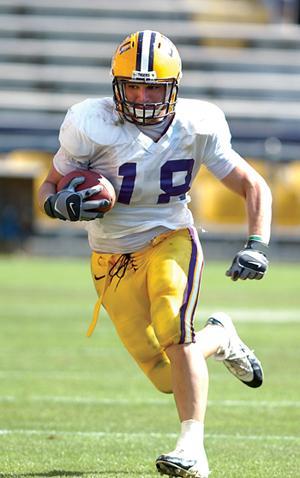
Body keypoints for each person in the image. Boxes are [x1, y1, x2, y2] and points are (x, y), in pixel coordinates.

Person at [38, 30, 272, 478]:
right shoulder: (91, 123)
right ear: (116, 85)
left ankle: (192, 450)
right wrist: (58, 203)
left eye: (154, 87)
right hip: (109, 257)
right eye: (134, 86)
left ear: (174, 88)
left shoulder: (197, 124)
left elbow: (251, 184)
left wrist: (256, 245)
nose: (143, 97)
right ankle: (220, 337)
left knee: (172, 321)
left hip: (171, 236)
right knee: (167, 376)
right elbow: (49, 185)